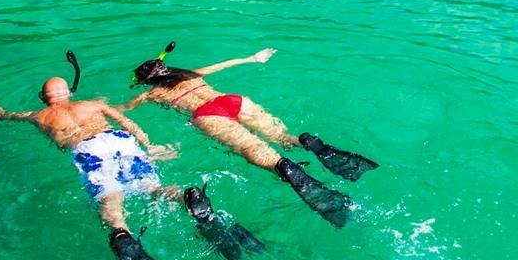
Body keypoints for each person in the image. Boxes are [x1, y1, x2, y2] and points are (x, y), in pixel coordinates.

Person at [0, 75, 263, 260]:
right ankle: (184, 197)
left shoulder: (37, 115)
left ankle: (124, 237)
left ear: (44, 97)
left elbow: (4, 115)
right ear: (69, 93)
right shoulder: (92, 104)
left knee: (110, 203)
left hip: (88, 152)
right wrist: (150, 145)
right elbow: (127, 121)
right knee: (153, 188)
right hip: (119, 141)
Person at [118, 48, 377, 228]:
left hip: (208, 115)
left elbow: (123, 110)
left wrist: (106, 105)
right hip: (232, 101)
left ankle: (285, 168)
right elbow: (224, 64)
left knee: (255, 150)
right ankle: (306, 142)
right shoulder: (191, 75)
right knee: (280, 136)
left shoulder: (151, 94)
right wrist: (253, 58)